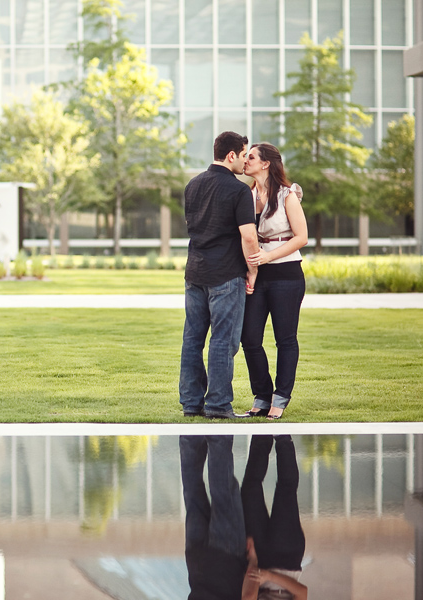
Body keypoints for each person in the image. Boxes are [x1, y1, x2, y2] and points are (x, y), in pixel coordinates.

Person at [180, 131, 260, 419]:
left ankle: (191, 403)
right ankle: (217, 404)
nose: (244, 160)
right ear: (231, 155)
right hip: (226, 275)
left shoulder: (193, 185)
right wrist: (253, 270)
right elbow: (249, 237)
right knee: (223, 341)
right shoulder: (238, 191)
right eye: (243, 155)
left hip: (195, 273)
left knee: (193, 338)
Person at [241, 143, 309, 419]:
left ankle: (280, 397)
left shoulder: (287, 196)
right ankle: (262, 394)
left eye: (251, 157)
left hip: (286, 273)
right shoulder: (248, 194)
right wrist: (253, 267)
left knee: (285, 338)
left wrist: (268, 258)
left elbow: (301, 237)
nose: (246, 161)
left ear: (266, 163)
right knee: (249, 338)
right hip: (258, 273)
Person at [180, 435, 249, 599]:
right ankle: (190, 436)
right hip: (196, 563)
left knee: (223, 494)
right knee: (192, 491)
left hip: (227, 561)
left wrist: (252, 562)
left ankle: (219, 436)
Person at [241, 434, 308, 600]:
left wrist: (254, 561)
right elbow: (302, 592)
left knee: (250, 490)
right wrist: (268, 577)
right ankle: (282, 437)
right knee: (285, 490)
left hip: (260, 560)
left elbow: (249, 595)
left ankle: (262, 434)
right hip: (287, 558)